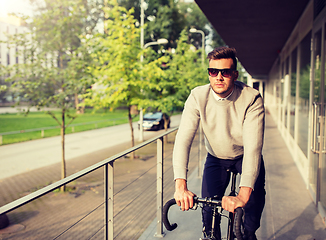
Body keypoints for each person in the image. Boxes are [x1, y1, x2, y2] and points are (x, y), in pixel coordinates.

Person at [172, 46, 265, 240]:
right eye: (213, 71)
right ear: (209, 73)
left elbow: (254, 148)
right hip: (216, 156)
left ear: (235, 74)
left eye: (225, 72)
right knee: (208, 213)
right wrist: (180, 185)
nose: (219, 77)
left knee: (252, 207)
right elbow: (183, 140)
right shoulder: (197, 96)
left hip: (244, 155)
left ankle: (249, 233)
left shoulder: (252, 98)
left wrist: (243, 195)